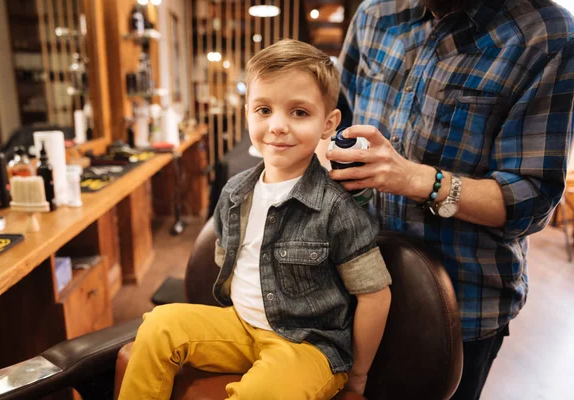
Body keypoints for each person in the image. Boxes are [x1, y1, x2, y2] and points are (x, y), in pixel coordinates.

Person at [118, 39, 392, 400]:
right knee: (157, 327)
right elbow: (225, 261)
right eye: (264, 110)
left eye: (299, 112)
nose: (277, 126)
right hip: (240, 325)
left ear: (329, 123)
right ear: (247, 112)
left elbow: (375, 296)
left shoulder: (337, 207)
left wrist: (358, 377)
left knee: (259, 393)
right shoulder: (235, 192)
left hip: (308, 346)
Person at [326, 0, 574, 399]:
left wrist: (416, 179)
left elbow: (531, 199)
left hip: (460, 306)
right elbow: (337, 118)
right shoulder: (376, 14)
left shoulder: (545, 35)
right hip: (353, 286)